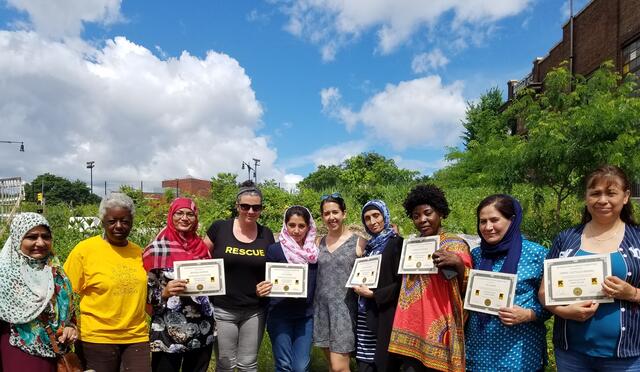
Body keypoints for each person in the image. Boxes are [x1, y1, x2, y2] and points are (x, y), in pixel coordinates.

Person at [540, 165, 640, 371]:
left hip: (627, 356)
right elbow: (544, 292)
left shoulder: (638, 239)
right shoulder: (566, 238)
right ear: (586, 198)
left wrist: (633, 293)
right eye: (595, 193)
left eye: (611, 193)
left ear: (626, 196)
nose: (602, 200)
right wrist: (564, 312)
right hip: (571, 354)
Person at [388, 184, 471, 372]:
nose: (422, 220)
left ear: (440, 213)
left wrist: (457, 263)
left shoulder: (455, 244)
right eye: (416, 216)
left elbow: (468, 288)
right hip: (412, 326)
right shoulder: (413, 245)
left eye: (428, 213)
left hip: (439, 326)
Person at [64, 192, 150, 372]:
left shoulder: (139, 252)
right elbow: (65, 292)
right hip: (96, 338)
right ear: (102, 221)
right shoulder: (85, 251)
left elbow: (148, 293)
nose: (119, 226)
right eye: (112, 221)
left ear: (132, 222)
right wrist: (68, 324)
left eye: (125, 221)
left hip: (136, 337)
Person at [465, 194, 549, 371]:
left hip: (520, 352)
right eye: (482, 221)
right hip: (479, 351)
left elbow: (553, 301)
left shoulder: (536, 254)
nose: (488, 227)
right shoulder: (477, 255)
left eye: (495, 220)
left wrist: (528, 314)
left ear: (512, 220)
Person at [203, 181, 275, 372]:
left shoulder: (266, 234)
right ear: (237, 206)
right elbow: (199, 255)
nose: (250, 211)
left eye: (256, 207)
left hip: (255, 310)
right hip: (223, 308)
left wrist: (269, 285)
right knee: (226, 364)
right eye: (245, 206)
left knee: (248, 365)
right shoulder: (219, 228)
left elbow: (273, 269)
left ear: (261, 209)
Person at [143, 197, 214, 372]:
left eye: (190, 214)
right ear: (171, 216)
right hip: (168, 330)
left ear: (195, 218)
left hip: (201, 327)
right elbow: (144, 292)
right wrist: (165, 292)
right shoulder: (157, 248)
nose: (184, 218)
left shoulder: (202, 248)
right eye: (179, 213)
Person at [0, 213, 77, 372]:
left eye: (45, 237)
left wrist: (70, 327)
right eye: (32, 237)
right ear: (17, 238)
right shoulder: (4, 275)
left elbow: (70, 314)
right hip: (18, 352)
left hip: (56, 354)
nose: (40, 243)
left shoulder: (57, 274)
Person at [256, 206, 319, 372]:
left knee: (300, 366)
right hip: (279, 314)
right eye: (292, 225)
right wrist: (263, 288)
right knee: (283, 365)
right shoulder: (275, 250)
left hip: (305, 316)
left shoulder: (313, 253)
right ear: (285, 225)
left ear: (309, 227)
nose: (296, 230)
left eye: (301, 226)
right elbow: (265, 281)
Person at [313, 192, 366, 372]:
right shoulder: (317, 242)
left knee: (339, 368)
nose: (331, 217)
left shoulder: (359, 242)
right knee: (331, 366)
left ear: (344, 213)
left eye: (335, 212)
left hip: (344, 311)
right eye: (326, 213)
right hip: (321, 310)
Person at [352, 200, 403, 372]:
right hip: (365, 315)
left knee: (383, 364)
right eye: (367, 218)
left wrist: (374, 295)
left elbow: (402, 284)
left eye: (376, 216)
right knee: (364, 365)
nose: (372, 222)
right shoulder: (368, 247)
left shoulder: (397, 244)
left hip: (385, 315)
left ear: (385, 216)